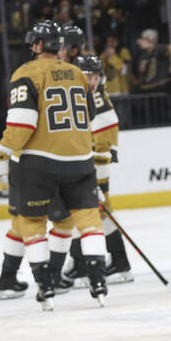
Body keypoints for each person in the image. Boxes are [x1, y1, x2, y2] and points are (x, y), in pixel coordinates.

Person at [0, 21, 107, 309]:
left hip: (38, 163)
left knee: (30, 223)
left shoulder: (26, 72)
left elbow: (22, 123)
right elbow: (88, 117)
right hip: (80, 160)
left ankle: (45, 286)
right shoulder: (78, 73)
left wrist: (4, 151)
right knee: (89, 221)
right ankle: (99, 282)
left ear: (38, 45)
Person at [60, 54, 130, 286]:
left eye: (95, 76)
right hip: (87, 168)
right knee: (91, 214)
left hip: (95, 171)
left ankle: (97, 266)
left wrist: (97, 184)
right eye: (87, 76)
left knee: (87, 213)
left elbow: (102, 150)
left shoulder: (98, 104)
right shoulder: (85, 96)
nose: (91, 80)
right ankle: (115, 264)